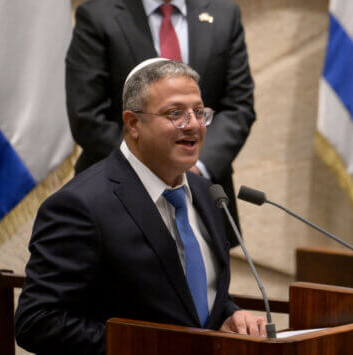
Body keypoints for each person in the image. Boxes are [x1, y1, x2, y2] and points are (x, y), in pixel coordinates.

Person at [16, 60, 265, 354]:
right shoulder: (80, 206)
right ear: (134, 124)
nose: (194, 125)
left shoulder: (207, 193)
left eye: (199, 113)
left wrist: (230, 314)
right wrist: (152, 347)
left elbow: (191, 294)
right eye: (176, 114)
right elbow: (37, 322)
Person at [65, 0, 254, 230]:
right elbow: (87, 116)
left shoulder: (224, 15)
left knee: (206, 282)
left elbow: (238, 107)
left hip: (204, 194)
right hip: (118, 193)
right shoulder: (99, 17)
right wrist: (152, 169)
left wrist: (195, 166)